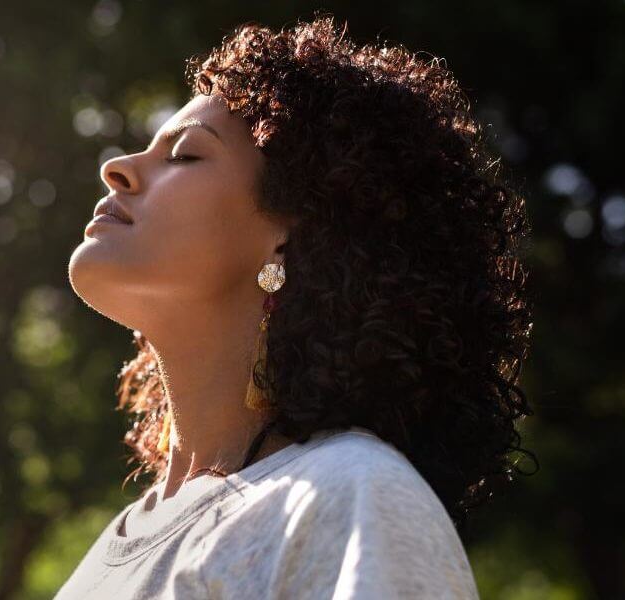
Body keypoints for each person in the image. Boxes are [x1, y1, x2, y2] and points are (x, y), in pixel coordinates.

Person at [60, 12, 536, 599]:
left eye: (184, 155)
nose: (118, 168)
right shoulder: (116, 544)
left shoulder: (349, 494)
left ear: (291, 233)